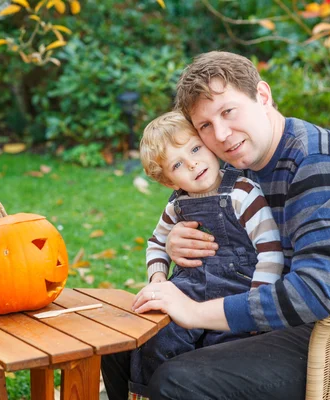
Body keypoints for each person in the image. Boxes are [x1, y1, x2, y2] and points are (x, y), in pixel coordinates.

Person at [103, 51, 330, 400]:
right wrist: (176, 241)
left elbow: (313, 294)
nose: (220, 134)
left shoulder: (316, 164)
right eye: (205, 125)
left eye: (228, 112)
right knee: (124, 349)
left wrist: (194, 313)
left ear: (262, 96)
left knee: (177, 382)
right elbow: (236, 239)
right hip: (284, 319)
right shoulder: (239, 165)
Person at [128, 110, 284, 398]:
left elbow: (270, 250)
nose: (193, 163)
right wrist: (158, 278)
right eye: (178, 164)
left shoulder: (243, 193)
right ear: (169, 182)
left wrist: (257, 301)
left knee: (222, 346)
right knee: (158, 336)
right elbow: (157, 242)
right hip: (191, 288)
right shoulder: (177, 205)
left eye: (196, 148)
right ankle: (150, 392)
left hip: (237, 289)